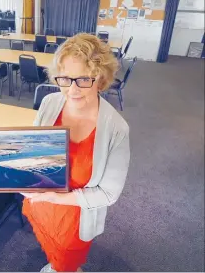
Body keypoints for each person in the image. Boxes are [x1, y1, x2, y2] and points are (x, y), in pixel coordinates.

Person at [22, 33, 130, 272]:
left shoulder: (117, 129)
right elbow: (35, 147)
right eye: (65, 79)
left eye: (83, 79)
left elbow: (108, 194)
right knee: (51, 252)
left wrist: (58, 198)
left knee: (67, 263)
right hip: (44, 204)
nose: (72, 90)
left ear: (100, 78)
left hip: (76, 216)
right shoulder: (50, 103)